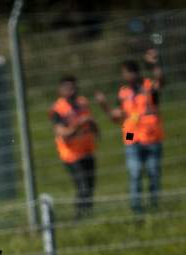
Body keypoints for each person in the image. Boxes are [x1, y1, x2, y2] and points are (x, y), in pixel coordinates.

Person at [96, 49, 165, 213]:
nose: (127, 76)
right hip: (131, 135)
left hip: (151, 135)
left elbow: (161, 81)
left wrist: (154, 64)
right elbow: (116, 117)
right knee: (135, 173)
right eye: (125, 73)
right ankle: (136, 208)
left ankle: (155, 206)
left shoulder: (148, 87)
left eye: (129, 73)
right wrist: (104, 105)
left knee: (153, 172)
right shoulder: (123, 93)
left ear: (136, 73)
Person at [50, 75, 99, 219]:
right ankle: (79, 217)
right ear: (60, 90)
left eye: (74, 88)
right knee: (82, 187)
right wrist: (79, 123)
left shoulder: (83, 103)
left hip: (87, 150)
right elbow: (63, 133)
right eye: (68, 88)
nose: (72, 91)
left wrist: (95, 129)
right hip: (71, 155)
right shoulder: (57, 109)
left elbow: (90, 120)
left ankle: (88, 216)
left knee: (90, 187)